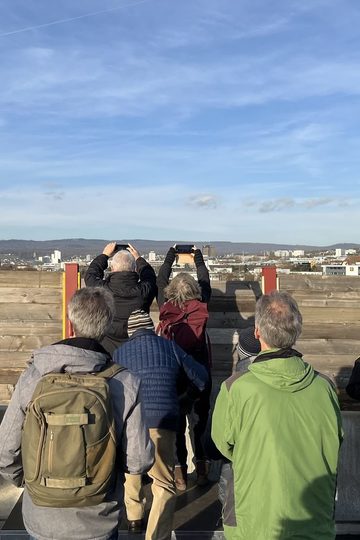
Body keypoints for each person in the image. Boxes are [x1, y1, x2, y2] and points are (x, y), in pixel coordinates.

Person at [0, 287, 154, 540]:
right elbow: (138, 460)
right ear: (105, 328)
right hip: (98, 520)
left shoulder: (34, 376)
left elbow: (5, 451)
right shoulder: (124, 382)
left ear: (71, 324)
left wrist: (32, 482)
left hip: (42, 518)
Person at [212, 291, 343, 540]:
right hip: (314, 519)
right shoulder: (324, 388)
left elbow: (223, 444)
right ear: (297, 331)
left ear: (257, 332)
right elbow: (335, 440)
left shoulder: (236, 388)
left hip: (254, 520)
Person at [113, 309, 209, 540]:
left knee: (131, 472)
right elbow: (202, 377)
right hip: (164, 421)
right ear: (151, 328)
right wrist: (185, 399)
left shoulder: (119, 354)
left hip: (131, 424)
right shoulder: (170, 347)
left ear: (130, 332)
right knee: (164, 484)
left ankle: (135, 518)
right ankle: (157, 536)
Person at [157, 245, 212, 490]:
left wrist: (171, 253)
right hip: (201, 373)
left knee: (177, 425)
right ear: (195, 291)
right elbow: (205, 277)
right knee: (199, 424)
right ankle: (201, 471)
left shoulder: (165, 309)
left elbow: (160, 279)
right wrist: (197, 255)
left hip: (174, 376)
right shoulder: (202, 306)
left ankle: (179, 476)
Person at [85, 242, 157, 354]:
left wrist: (104, 255)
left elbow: (90, 276)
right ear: (134, 269)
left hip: (107, 347)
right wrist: (138, 258)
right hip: (137, 349)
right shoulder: (144, 291)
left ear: (112, 268)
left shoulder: (102, 290)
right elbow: (149, 276)